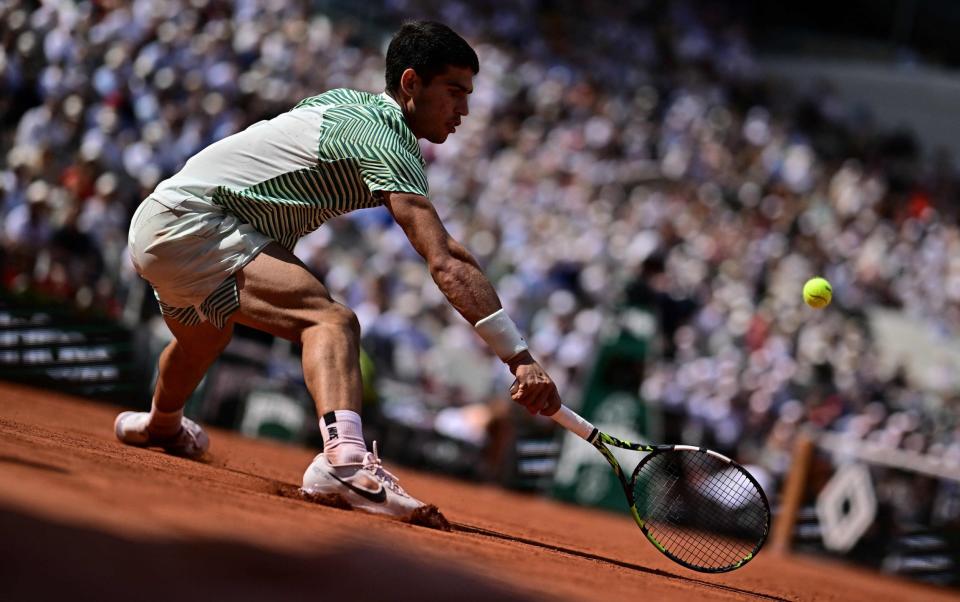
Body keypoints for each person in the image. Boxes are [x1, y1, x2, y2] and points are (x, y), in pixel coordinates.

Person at [114, 21, 562, 520]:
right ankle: (345, 464)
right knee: (330, 320)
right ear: (411, 84)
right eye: (454, 93)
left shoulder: (346, 104)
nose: (464, 111)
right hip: (196, 223)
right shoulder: (388, 137)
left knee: (204, 339)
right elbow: (445, 261)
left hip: (159, 223)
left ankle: (161, 422)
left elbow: (445, 248)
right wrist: (519, 358)